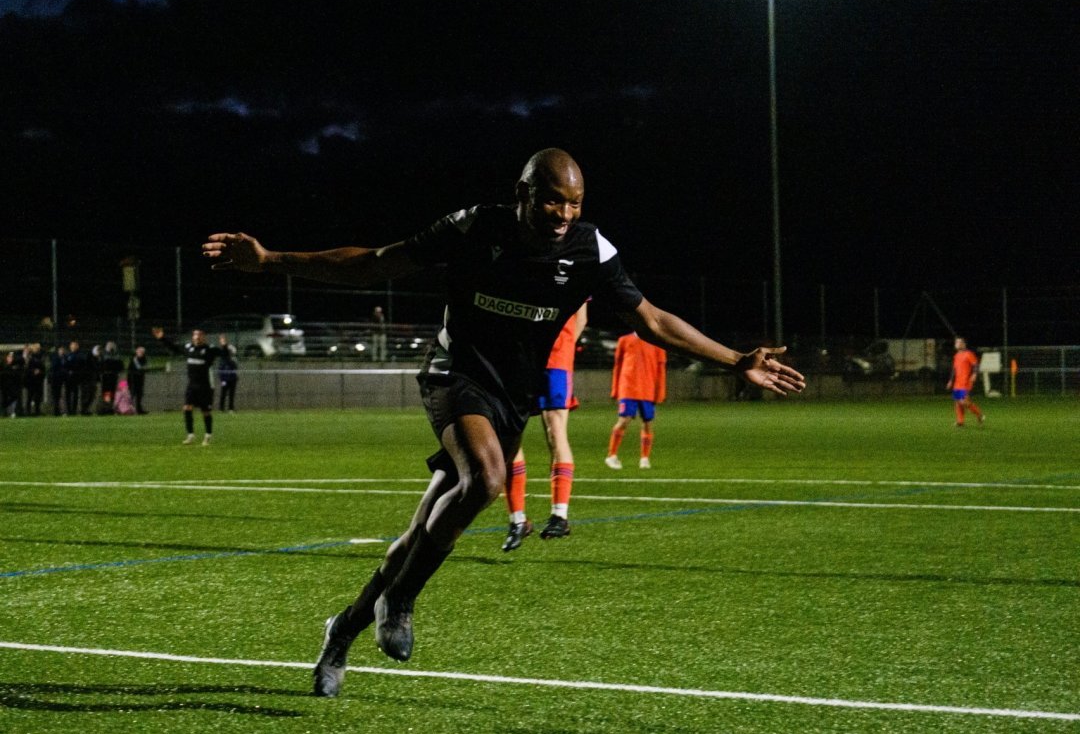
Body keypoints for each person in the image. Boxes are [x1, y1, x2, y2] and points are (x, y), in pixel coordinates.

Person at [201, 147, 805, 698]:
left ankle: (345, 629)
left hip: (512, 397)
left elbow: (651, 318)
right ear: (521, 193)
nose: (564, 213)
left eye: (575, 202)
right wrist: (271, 259)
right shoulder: (476, 227)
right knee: (489, 479)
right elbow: (378, 264)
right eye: (552, 199)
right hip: (454, 373)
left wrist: (736, 359)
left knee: (420, 535)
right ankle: (403, 600)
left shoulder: (591, 250)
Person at [502, 302, 587, 551]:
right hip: (520, 358)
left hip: (556, 358)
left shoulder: (574, 265)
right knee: (511, 432)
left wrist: (562, 346)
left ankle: (559, 516)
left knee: (556, 431)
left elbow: (581, 315)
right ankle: (517, 520)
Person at [152, 326, 230, 445]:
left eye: (199, 334)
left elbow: (225, 356)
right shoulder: (189, 348)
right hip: (192, 386)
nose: (197, 337)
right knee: (187, 408)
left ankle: (208, 435)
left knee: (206, 412)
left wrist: (224, 345)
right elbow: (175, 349)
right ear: (193, 337)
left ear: (204, 337)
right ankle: (190, 435)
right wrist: (162, 338)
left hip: (205, 386)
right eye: (195, 334)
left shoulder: (210, 349)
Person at [605, 331, 668, 469]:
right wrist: (615, 389)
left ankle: (644, 459)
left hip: (648, 390)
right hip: (628, 388)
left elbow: (661, 370)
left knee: (647, 424)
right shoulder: (624, 340)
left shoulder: (658, 344)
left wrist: (660, 393)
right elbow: (618, 366)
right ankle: (611, 455)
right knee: (624, 420)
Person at [946, 336, 984, 427]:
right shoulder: (956, 355)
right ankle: (960, 421)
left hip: (966, 382)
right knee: (957, 402)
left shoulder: (969, 354)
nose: (956, 344)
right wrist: (951, 380)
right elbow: (954, 369)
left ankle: (979, 414)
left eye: (959, 342)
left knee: (964, 402)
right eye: (956, 342)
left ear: (963, 344)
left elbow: (975, 365)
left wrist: (974, 374)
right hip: (957, 383)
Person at [97, 341, 124, 413]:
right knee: (107, 393)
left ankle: (109, 407)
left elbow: (121, 367)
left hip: (112, 377)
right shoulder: (106, 356)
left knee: (111, 393)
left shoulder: (114, 356)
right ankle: (105, 408)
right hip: (107, 377)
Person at [217, 334, 239, 412]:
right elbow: (220, 368)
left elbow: (235, 367)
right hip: (225, 378)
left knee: (231, 394)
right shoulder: (223, 360)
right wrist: (221, 378)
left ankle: (231, 408)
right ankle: (221, 408)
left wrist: (236, 377)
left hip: (232, 378)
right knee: (223, 393)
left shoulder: (233, 360)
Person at [127, 346, 150, 414]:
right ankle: (129, 409)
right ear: (137, 352)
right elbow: (139, 368)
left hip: (140, 380)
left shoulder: (144, 359)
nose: (142, 353)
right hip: (133, 380)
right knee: (132, 395)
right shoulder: (134, 359)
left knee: (139, 396)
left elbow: (145, 368)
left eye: (143, 352)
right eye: (140, 352)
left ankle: (139, 409)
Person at [48, 344, 67, 415]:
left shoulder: (65, 358)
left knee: (59, 396)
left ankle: (60, 410)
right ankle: (56, 411)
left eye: (63, 350)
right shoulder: (55, 358)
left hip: (62, 380)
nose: (62, 351)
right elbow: (53, 368)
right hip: (55, 380)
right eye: (60, 350)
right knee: (55, 396)